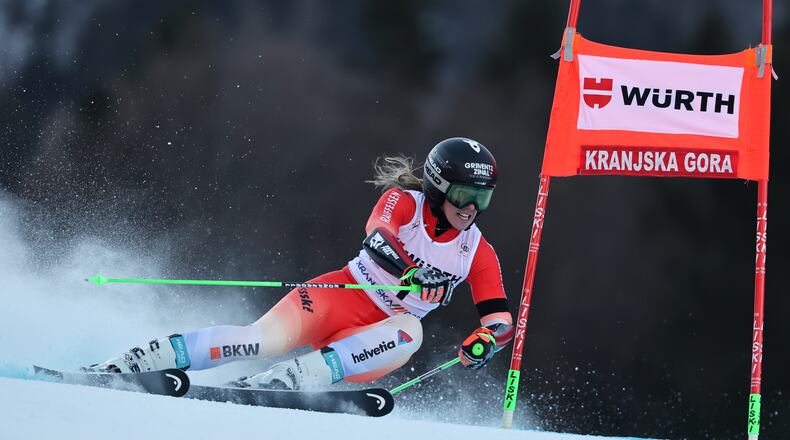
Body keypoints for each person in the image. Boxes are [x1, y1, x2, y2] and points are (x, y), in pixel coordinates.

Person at [86, 137, 514, 390]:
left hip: (377, 340)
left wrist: (486, 341)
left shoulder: (477, 251)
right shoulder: (404, 202)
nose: (472, 208)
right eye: (464, 195)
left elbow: (499, 318)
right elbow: (376, 237)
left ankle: (287, 380)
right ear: (439, 188)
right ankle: (135, 361)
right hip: (339, 295)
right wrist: (412, 274)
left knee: (411, 330)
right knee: (258, 341)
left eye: (483, 198)